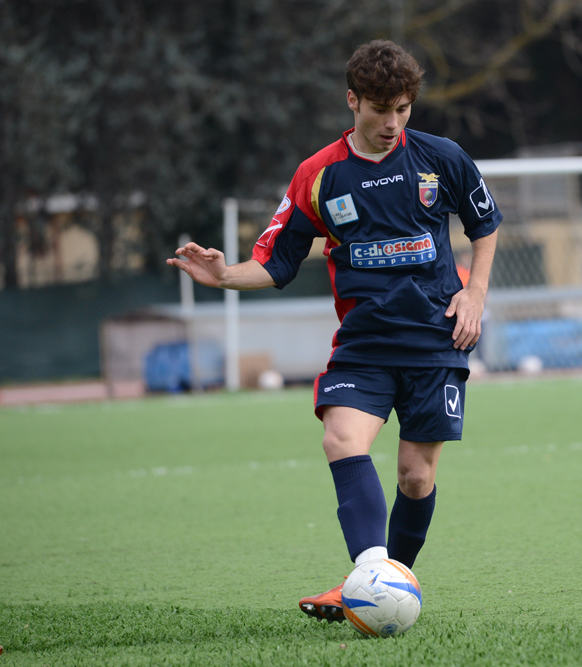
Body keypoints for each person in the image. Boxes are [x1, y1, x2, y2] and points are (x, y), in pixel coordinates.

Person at [166, 39, 501, 623]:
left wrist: (474, 294)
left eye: (403, 109)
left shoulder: (442, 157)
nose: (393, 123)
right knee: (341, 441)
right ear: (353, 101)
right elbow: (277, 262)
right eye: (380, 109)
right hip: (365, 344)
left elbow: (486, 223)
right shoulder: (318, 175)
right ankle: (369, 581)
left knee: (415, 477)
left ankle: (382, 587)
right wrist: (222, 276)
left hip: (435, 339)